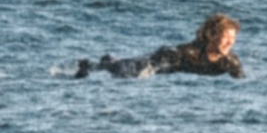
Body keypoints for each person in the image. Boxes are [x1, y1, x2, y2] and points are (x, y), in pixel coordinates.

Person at [74, 13, 244, 81]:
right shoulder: (189, 53)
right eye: (225, 37)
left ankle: (110, 61)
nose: (230, 42)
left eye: (233, 38)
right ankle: (96, 65)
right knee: (125, 71)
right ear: (211, 36)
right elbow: (151, 68)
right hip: (163, 59)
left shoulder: (230, 62)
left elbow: (242, 81)